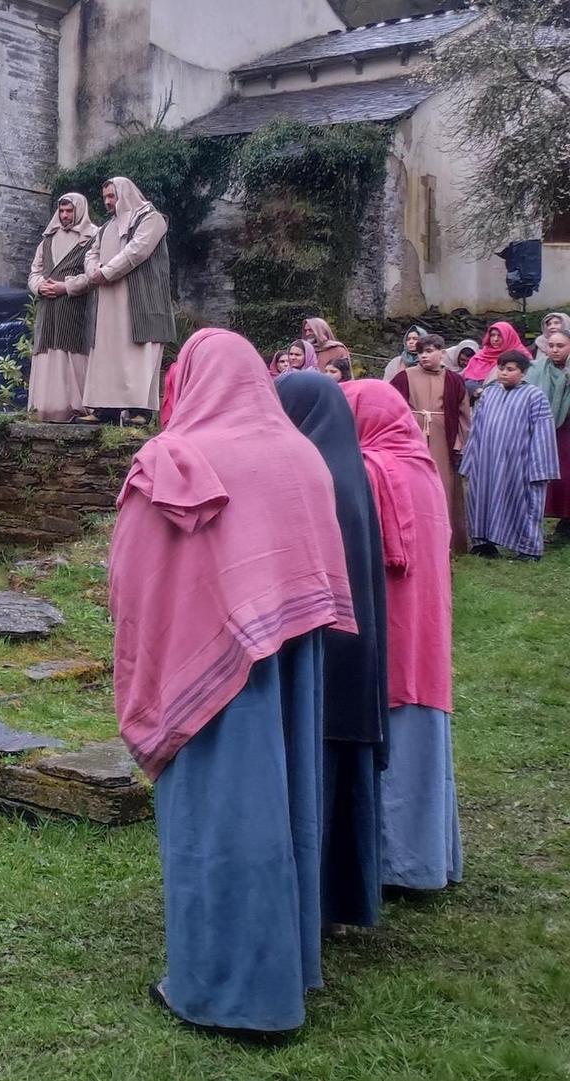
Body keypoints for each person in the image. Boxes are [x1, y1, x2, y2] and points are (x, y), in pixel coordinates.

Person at [109, 330, 352, 1036]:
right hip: (293, 652)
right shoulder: (302, 455)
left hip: (209, 662)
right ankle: (291, 964)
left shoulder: (177, 457)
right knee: (287, 805)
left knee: (225, 817)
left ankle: (227, 990)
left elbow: (136, 570)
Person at [276, 372, 389, 934]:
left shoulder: (314, 478)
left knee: (316, 777)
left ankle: (312, 904)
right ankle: (349, 900)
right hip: (358, 650)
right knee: (347, 779)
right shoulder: (351, 470)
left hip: (325, 650)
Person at [341, 380, 462, 894]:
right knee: (422, 732)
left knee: (394, 736)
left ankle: (398, 865)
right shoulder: (421, 465)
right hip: (426, 629)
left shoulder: (371, 472)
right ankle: (429, 858)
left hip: (388, 626)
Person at [64, 176, 174, 424]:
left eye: (111, 196)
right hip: (107, 300)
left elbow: (137, 250)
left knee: (138, 353)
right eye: (104, 198)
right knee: (106, 352)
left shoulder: (152, 219)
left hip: (141, 301)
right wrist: (94, 271)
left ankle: (139, 412)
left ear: (125, 194)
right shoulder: (105, 228)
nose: (107, 202)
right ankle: (106, 410)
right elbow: (91, 253)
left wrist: (106, 272)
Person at [460, 349, 560, 559]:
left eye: (510, 369)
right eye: (501, 368)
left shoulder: (535, 396)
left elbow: (543, 433)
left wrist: (540, 468)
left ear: (523, 373)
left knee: (523, 503)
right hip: (487, 461)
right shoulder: (490, 393)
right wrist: (470, 459)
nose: (504, 372)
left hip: (518, 463)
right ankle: (484, 543)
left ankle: (528, 549)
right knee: (482, 498)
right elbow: (477, 426)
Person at [391, 335, 473, 555]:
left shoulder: (454, 381)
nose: (424, 356)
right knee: (412, 484)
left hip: (442, 439)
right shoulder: (403, 377)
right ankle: (412, 535)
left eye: (429, 351)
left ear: (442, 352)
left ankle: (443, 539)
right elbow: (391, 408)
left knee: (442, 485)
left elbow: (464, 415)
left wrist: (459, 443)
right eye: (420, 353)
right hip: (412, 436)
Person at [26, 192, 97, 422]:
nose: (65, 216)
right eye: (62, 211)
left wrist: (66, 287)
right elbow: (34, 272)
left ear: (80, 210)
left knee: (72, 352)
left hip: (76, 309)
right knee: (47, 352)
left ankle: (76, 407)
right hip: (48, 310)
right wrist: (39, 287)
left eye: (70, 211)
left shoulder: (92, 237)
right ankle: (44, 407)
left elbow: (94, 274)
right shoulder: (47, 240)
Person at [527, 328, 570, 545]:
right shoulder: (537, 370)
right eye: (551, 345)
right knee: (555, 479)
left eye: (560, 346)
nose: (554, 350)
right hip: (546, 433)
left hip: (568, 432)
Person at [460, 321, 528, 392]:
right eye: (492, 335)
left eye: (500, 335)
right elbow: (463, 377)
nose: (495, 339)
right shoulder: (481, 354)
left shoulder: (519, 356)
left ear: (508, 336)